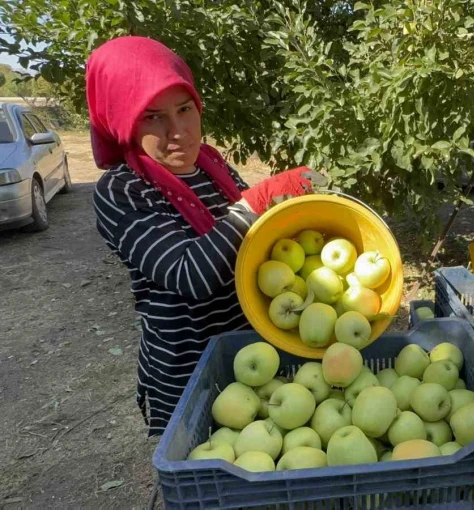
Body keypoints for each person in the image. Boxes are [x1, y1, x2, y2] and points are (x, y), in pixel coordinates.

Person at [86, 36, 326, 436]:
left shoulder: (212, 167)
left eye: (184, 109)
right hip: (187, 374)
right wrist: (256, 202)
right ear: (122, 120)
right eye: (152, 117)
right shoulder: (123, 190)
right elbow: (189, 274)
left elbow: (250, 245)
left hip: (252, 358)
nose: (178, 131)